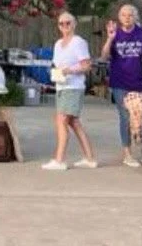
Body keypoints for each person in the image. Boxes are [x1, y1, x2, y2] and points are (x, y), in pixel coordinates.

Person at [101, 4, 142, 168]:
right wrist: (110, 39)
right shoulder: (115, 34)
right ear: (119, 18)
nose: (127, 18)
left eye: (130, 15)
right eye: (123, 15)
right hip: (119, 82)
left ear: (135, 17)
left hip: (139, 81)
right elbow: (104, 56)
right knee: (126, 116)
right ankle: (127, 153)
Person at [42, 12, 97, 171]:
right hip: (61, 86)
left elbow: (87, 66)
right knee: (73, 122)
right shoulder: (58, 44)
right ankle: (89, 158)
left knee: (61, 120)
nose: (65, 26)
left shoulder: (79, 42)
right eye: (61, 24)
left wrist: (70, 71)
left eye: (68, 23)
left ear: (74, 24)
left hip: (73, 87)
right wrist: (56, 73)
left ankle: (59, 160)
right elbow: (56, 64)